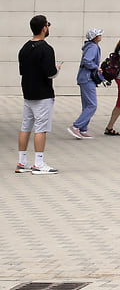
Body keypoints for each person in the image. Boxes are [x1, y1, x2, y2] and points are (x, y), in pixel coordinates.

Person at [16, 15, 60, 174]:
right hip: (43, 94)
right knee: (41, 128)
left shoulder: (24, 48)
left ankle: (22, 162)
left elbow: (22, 71)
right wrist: (57, 70)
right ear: (44, 28)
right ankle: (38, 163)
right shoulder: (46, 49)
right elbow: (50, 73)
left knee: (25, 127)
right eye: (48, 24)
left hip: (27, 92)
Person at [70, 28, 104, 139]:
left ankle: (83, 130)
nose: (101, 36)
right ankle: (75, 126)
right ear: (95, 37)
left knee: (86, 105)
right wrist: (96, 68)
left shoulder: (90, 46)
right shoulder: (93, 47)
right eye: (99, 35)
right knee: (92, 105)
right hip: (87, 79)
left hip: (84, 78)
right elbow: (87, 60)